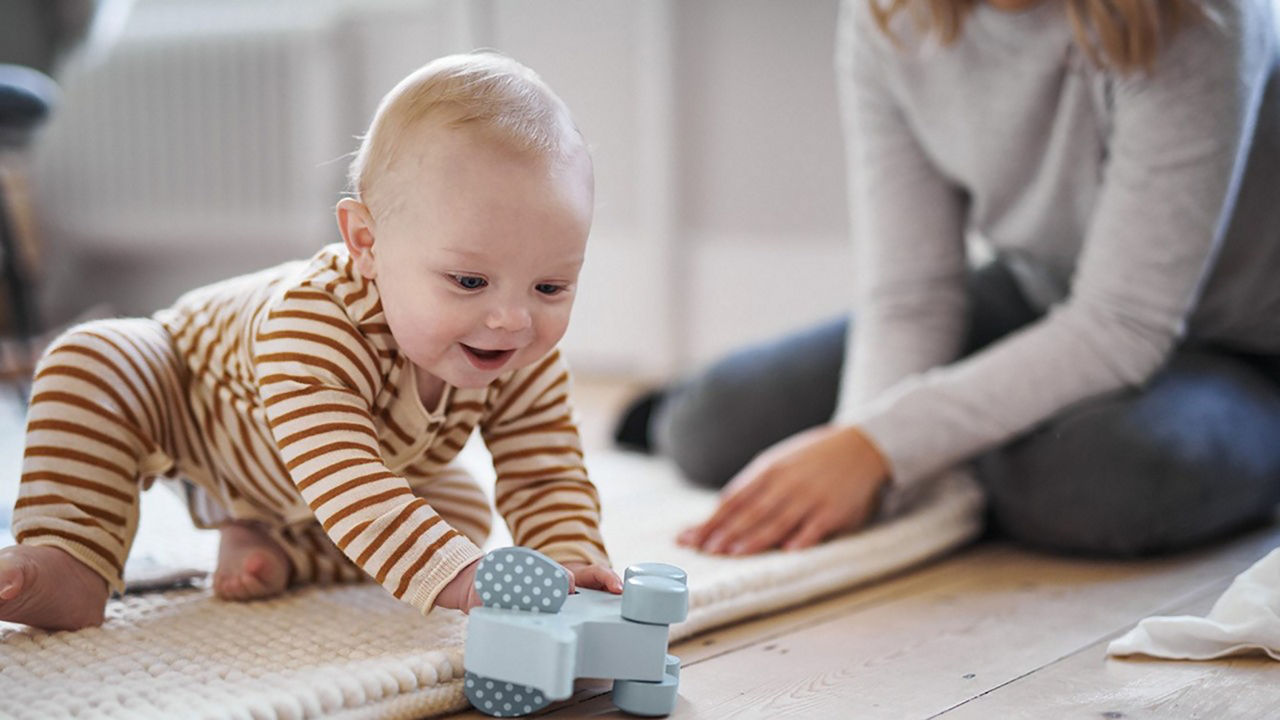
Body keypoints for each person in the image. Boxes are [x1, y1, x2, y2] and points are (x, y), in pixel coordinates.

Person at [619, 0, 1280, 558]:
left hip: (1238, 345)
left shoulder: (1195, 17)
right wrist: (865, 460)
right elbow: (913, 298)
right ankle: (983, 456)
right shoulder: (890, 16)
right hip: (1045, 291)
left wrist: (885, 446)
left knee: (1088, 485)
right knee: (708, 428)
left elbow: (1123, 322)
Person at [0, 51, 622, 631]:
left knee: (458, 513)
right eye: (469, 280)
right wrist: (461, 578)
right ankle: (69, 554)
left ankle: (281, 549)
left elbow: (546, 475)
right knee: (94, 355)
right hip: (190, 407)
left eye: (550, 286)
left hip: (307, 482)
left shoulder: (520, 356)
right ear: (366, 244)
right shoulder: (317, 324)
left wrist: (569, 566)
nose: (512, 319)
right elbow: (348, 478)